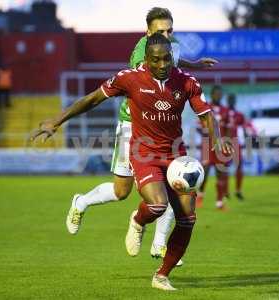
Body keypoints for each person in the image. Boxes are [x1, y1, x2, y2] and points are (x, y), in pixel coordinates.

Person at [31, 34, 231, 290]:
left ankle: (161, 276)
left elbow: (205, 114)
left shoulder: (186, 81)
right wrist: (56, 122)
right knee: (158, 205)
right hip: (143, 153)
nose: (162, 65)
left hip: (175, 154)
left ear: (173, 56)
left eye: (166, 58)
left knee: (187, 219)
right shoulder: (129, 78)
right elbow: (92, 99)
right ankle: (138, 220)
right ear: (146, 59)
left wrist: (216, 138)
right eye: (156, 60)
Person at [63, 7, 218, 265]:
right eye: (161, 31)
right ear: (148, 33)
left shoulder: (171, 45)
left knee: (173, 184)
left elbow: (173, 64)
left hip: (162, 128)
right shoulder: (141, 50)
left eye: (170, 30)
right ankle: (81, 202)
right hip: (132, 124)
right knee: (121, 191)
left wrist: (194, 65)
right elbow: (147, 80)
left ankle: (159, 245)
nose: (167, 35)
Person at [196, 85, 233, 210]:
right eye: (216, 94)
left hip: (221, 145)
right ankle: (200, 196)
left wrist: (227, 142)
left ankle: (219, 202)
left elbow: (228, 128)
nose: (218, 96)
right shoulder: (206, 108)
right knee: (205, 171)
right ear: (211, 95)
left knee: (220, 172)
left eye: (220, 94)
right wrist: (207, 135)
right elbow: (198, 126)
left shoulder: (225, 110)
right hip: (208, 144)